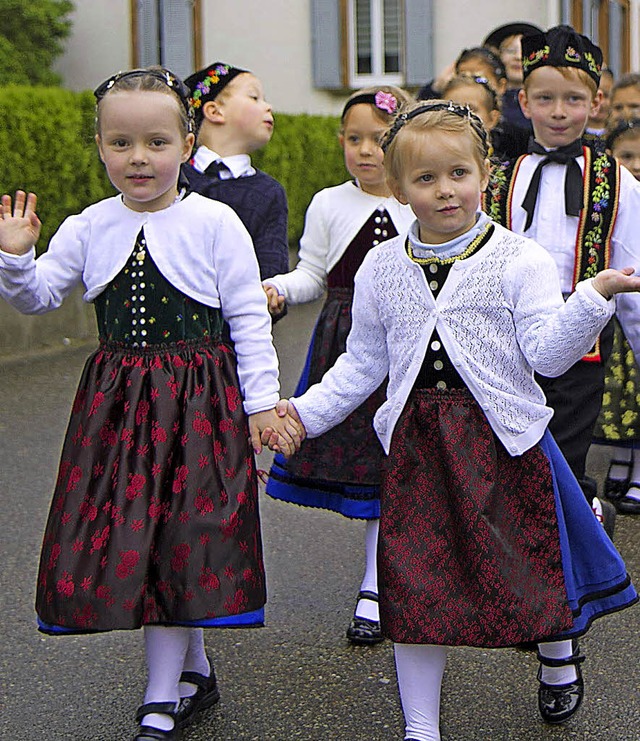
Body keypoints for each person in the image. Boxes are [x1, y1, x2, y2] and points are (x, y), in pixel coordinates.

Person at [271, 100, 638, 740]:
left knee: (527, 564)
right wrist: (300, 413)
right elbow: (363, 364)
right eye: (425, 179)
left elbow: (548, 355)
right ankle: (421, 728)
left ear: (483, 172)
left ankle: (556, 658)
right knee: (412, 581)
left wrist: (592, 296)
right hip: (418, 446)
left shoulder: (519, 258)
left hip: (504, 439)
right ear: (396, 187)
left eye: (458, 174)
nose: (445, 191)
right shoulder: (383, 266)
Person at [0, 67, 302, 741]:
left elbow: (250, 317)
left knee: (187, 534)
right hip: (118, 406)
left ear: (187, 142)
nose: (138, 157)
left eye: (157, 142)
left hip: (200, 401)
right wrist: (16, 258)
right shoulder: (89, 225)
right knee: (144, 536)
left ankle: (161, 695)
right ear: (101, 145)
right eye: (120, 142)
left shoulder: (215, 222)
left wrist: (262, 406)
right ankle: (191, 670)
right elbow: (38, 296)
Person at [262, 85, 414, 645]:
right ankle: (376, 584)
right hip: (344, 345)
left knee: (399, 459)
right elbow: (314, 275)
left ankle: (382, 582)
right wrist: (277, 288)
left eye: (379, 138)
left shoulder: (417, 201)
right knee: (371, 466)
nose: (366, 150)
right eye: (355, 138)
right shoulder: (328, 203)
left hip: (407, 344)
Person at [483, 26, 640, 537]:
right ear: (523, 101)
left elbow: (631, 264)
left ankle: (569, 539)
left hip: (583, 338)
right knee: (509, 437)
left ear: (595, 102)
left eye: (572, 99)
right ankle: (522, 540)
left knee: (570, 442)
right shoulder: (499, 175)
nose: (557, 111)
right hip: (507, 335)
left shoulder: (617, 179)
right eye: (545, 98)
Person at [181, 62, 289, 292]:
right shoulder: (174, 179)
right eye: (254, 97)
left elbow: (271, 269)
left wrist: (272, 293)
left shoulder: (268, 192)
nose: (268, 106)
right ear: (214, 111)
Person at [593, 116, 640, 515]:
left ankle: (638, 467)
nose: (636, 164)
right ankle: (622, 458)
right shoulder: (607, 197)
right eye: (626, 155)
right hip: (616, 314)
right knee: (621, 395)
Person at [483, 21, 542, 132]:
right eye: (511, 51)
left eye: (525, 51)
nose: (518, 57)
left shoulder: (544, 98)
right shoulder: (488, 98)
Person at [583, 67, 614, 154]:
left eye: (607, 95)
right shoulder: (572, 136)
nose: (601, 102)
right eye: (595, 95)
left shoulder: (618, 135)